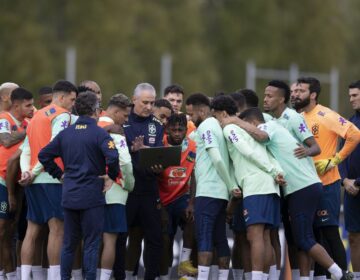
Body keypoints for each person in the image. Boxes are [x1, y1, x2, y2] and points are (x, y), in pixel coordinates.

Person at [235, 107, 353, 280]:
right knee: (303, 239)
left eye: (245, 126)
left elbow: (260, 135)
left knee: (305, 239)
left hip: (302, 188)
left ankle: (340, 274)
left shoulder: (268, 127)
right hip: (305, 187)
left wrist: (235, 121)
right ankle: (318, 276)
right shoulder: (276, 128)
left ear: (253, 123)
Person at [38, 91, 120, 280]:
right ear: (96, 110)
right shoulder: (100, 133)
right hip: (92, 195)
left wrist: (59, 175)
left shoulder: (65, 134)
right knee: (91, 243)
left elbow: (44, 156)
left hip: (70, 194)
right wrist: (110, 177)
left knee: (69, 243)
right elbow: (113, 157)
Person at [293, 77, 360, 276]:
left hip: (326, 184)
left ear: (313, 94)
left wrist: (335, 160)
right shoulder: (295, 117)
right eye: (295, 91)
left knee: (329, 232)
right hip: (303, 185)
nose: (296, 94)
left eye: (301, 91)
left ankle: (344, 276)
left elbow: (354, 135)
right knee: (313, 236)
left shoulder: (325, 114)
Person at [211, 95, 284, 280]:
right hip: (271, 185)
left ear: (225, 114)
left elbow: (246, 151)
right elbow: (267, 151)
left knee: (254, 236)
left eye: (216, 117)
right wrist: (276, 171)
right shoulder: (247, 129)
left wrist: (271, 170)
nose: (216, 122)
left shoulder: (230, 128)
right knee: (266, 235)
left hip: (256, 185)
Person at [19, 80, 77, 280]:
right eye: (72, 99)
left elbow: (26, 149)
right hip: (52, 178)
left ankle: (24, 277)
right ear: (61, 97)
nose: (73, 103)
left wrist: (26, 172)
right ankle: (54, 277)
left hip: (33, 181)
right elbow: (52, 147)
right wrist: (34, 172)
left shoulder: (36, 116)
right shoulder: (62, 116)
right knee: (57, 230)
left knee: (31, 231)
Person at [263, 79, 321, 279]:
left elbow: (316, 147)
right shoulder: (269, 122)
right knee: (291, 237)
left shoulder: (293, 118)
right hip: (285, 187)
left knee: (304, 238)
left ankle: (330, 273)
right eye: (264, 95)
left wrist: (306, 151)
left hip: (301, 185)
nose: (265, 99)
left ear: (282, 99)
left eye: (270, 96)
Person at [185, 93, 241, 280]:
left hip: (208, 190)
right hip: (221, 194)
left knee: (204, 238)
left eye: (192, 115)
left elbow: (216, 157)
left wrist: (231, 184)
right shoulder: (215, 126)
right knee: (220, 238)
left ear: (202, 111)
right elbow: (194, 137)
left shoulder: (208, 125)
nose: (190, 119)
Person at [124, 83, 164, 280]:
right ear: (134, 100)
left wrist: (158, 165)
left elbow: (157, 153)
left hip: (149, 189)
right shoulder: (123, 121)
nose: (149, 106)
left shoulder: (156, 125)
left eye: (152, 102)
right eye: (145, 102)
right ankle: (121, 275)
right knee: (122, 236)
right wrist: (133, 150)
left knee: (155, 238)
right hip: (127, 190)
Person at [97, 93, 135, 280]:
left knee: (91, 240)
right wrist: (129, 184)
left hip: (91, 188)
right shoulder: (116, 130)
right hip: (115, 189)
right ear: (115, 111)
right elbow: (126, 163)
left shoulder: (92, 125)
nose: (126, 120)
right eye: (125, 116)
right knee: (110, 240)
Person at [157, 113, 197, 279]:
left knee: (192, 222)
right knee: (165, 241)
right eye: (173, 129)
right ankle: (164, 276)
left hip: (181, 196)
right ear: (167, 129)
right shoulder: (160, 145)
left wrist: (192, 203)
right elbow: (152, 177)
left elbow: (195, 176)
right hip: (163, 199)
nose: (177, 133)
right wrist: (159, 204)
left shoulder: (193, 147)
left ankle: (184, 269)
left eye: (181, 129)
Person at [0, 88, 34, 280]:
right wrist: (28, 132)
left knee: (13, 230)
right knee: (3, 230)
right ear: (15, 105)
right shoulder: (4, 118)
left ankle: (11, 274)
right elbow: (5, 141)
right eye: (28, 105)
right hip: (3, 180)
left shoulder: (28, 122)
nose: (32, 108)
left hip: (19, 182)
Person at [339, 80, 360, 280]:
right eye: (350, 95)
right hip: (352, 190)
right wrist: (345, 181)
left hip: (357, 185)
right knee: (354, 237)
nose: (351, 99)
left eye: (355, 95)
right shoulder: (348, 125)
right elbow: (340, 156)